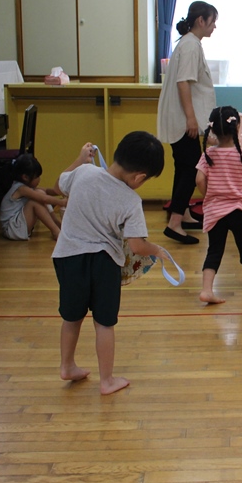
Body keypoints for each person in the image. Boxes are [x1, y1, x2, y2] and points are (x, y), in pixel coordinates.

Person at [52, 132, 170, 395]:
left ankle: (67, 366)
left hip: (68, 257)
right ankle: (106, 381)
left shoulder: (84, 172)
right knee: (104, 323)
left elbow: (59, 185)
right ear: (139, 177)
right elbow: (137, 245)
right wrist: (157, 250)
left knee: (71, 317)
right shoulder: (131, 200)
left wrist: (80, 159)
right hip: (104, 263)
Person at [156, 0, 219, 246]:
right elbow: (183, 83)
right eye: (212, 21)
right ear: (201, 21)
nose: (214, 26)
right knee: (192, 169)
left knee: (183, 168)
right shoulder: (191, 45)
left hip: (181, 119)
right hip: (184, 121)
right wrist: (191, 118)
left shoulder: (188, 43)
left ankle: (180, 214)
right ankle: (174, 224)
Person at [195, 105, 242, 304]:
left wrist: (209, 195)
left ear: (212, 129)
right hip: (239, 210)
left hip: (215, 211)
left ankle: (206, 289)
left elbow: (199, 180)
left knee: (214, 249)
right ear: (237, 128)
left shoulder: (208, 154)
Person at [0, 154, 67, 240]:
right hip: (12, 229)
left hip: (16, 226)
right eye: (37, 177)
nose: (39, 179)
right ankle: (55, 231)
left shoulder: (25, 186)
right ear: (25, 177)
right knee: (34, 202)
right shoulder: (21, 189)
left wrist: (59, 191)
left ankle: (56, 224)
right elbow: (43, 198)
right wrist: (61, 202)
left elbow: (46, 191)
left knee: (40, 192)